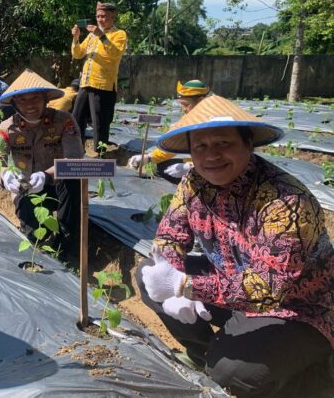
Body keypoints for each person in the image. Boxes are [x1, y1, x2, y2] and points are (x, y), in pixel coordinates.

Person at [137, 95, 334, 397]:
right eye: (200, 146)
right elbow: (169, 237)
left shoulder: (287, 201)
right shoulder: (193, 183)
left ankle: (300, 370)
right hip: (231, 281)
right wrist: (173, 273)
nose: (211, 155)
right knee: (149, 273)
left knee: (231, 372)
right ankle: (206, 353)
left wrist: (187, 286)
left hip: (299, 308)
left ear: (248, 144)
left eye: (223, 143)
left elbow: (272, 287)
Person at [0, 69, 84, 257]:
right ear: (14, 103)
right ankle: (37, 242)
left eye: (35, 98)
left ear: (46, 99)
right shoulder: (7, 128)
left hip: (59, 187)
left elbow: (74, 160)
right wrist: (5, 175)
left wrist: (46, 174)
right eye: (22, 100)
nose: (29, 105)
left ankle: (66, 242)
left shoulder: (64, 121)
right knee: (36, 235)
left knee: (72, 178)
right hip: (27, 188)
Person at [128, 79, 210, 183]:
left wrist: (190, 167)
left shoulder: (213, 123)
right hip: (200, 163)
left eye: (186, 104)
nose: (184, 109)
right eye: (181, 105)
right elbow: (172, 145)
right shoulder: (189, 119)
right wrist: (149, 158)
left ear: (200, 101)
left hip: (215, 172)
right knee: (161, 166)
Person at [70, 2, 127, 151]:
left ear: (112, 16)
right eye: (98, 16)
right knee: (76, 119)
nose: (100, 20)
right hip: (86, 83)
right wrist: (76, 38)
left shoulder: (119, 34)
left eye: (104, 16)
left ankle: (100, 155)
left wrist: (101, 36)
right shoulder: (91, 36)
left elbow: (114, 54)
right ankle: (77, 150)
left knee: (100, 123)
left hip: (103, 85)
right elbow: (77, 54)